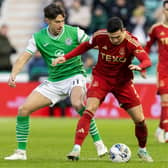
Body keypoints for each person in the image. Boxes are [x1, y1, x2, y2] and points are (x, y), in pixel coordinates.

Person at [4, 3, 107, 160]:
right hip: (54, 82)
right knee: (23, 110)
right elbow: (24, 57)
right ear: (47, 20)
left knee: (78, 104)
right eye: (57, 22)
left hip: (75, 76)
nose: (61, 25)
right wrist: (14, 74)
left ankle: (99, 143)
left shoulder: (74, 32)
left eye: (62, 21)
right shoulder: (38, 37)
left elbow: (93, 44)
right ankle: (20, 153)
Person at [52, 16, 154, 162]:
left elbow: (147, 60)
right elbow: (85, 46)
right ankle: (76, 149)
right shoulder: (100, 36)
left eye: (117, 37)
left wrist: (141, 67)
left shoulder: (132, 42)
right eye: (112, 37)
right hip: (102, 78)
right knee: (89, 109)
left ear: (124, 31)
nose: (114, 40)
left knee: (140, 120)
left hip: (122, 83)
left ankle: (142, 150)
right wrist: (66, 57)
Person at [144, 0, 168, 143]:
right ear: (163, 11)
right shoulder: (156, 29)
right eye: (167, 9)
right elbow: (147, 48)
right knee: (165, 100)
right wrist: (143, 65)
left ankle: (161, 128)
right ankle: (166, 132)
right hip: (164, 70)